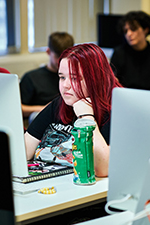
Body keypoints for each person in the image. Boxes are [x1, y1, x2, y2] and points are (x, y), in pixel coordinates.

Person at [24, 43, 122, 177]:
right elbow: (25, 151)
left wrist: (86, 117)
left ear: (95, 79)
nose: (65, 86)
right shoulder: (59, 104)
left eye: (75, 78)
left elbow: (103, 169)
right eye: (62, 77)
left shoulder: (116, 111)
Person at [20, 32, 74, 121]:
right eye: (58, 57)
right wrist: (45, 108)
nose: (61, 61)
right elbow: (19, 108)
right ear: (48, 52)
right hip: (45, 119)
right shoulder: (31, 77)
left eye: (66, 56)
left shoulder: (76, 78)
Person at [110, 11, 150, 90]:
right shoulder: (119, 53)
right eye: (125, 31)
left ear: (146, 30)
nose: (129, 34)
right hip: (125, 97)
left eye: (133, 29)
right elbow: (113, 79)